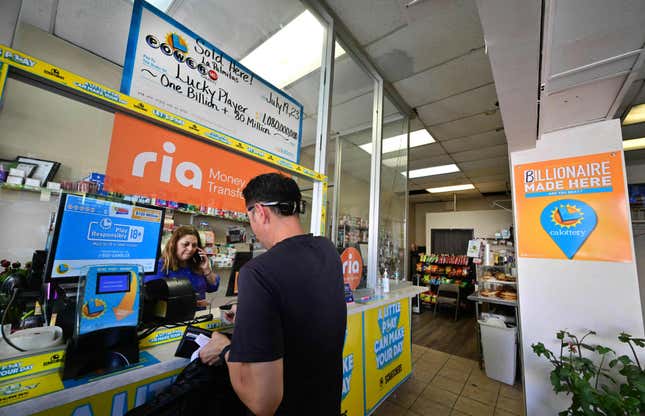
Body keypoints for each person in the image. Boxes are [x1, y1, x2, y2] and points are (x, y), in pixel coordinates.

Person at [199, 173, 347, 416]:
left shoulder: (257, 273)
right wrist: (251, 313)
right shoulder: (327, 250)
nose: (254, 230)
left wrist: (226, 349)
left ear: (260, 212)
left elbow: (262, 402)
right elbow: (302, 307)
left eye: (250, 219)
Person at [145, 225, 220, 307]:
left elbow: (213, 287)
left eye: (194, 245)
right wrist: (192, 303)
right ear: (174, 244)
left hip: (198, 316)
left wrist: (206, 269)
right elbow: (153, 296)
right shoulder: (161, 266)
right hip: (174, 318)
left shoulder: (196, 265)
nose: (190, 249)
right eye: (186, 244)